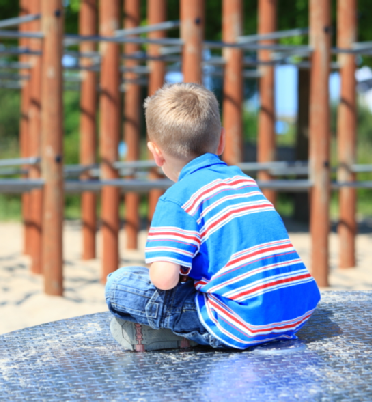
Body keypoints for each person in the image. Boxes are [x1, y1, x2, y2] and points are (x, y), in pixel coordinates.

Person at [105, 83, 321, 352]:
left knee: (120, 285)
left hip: (242, 323)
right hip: (295, 313)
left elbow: (164, 280)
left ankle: (181, 337)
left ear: (156, 152)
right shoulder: (244, 182)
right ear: (221, 140)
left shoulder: (177, 197)